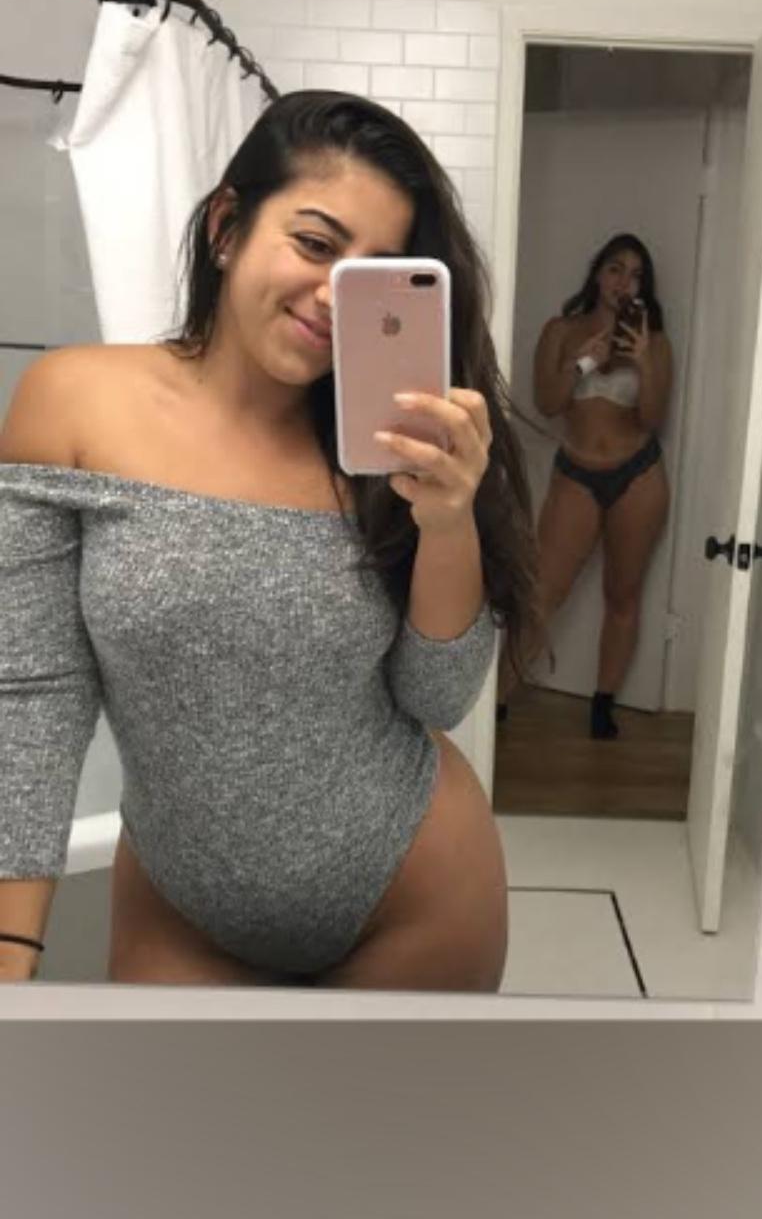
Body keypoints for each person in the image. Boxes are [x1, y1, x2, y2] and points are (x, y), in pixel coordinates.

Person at [0, 90, 543, 990]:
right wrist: (10, 954)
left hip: (412, 897)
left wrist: (449, 521)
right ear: (227, 227)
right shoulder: (73, 404)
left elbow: (438, 697)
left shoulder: (388, 444)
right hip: (181, 912)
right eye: (316, 245)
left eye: (372, 274)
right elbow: (32, 695)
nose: (334, 297)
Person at [496, 233, 672, 740]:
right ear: (597, 274)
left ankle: (603, 703)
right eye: (615, 269)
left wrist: (644, 362)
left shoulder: (655, 342)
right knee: (543, 592)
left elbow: (653, 418)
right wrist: (581, 363)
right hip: (576, 471)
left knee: (623, 592)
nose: (624, 282)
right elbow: (547, 404)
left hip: (638, 473)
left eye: (636, 275)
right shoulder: (562, 330)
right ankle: (497, 699)